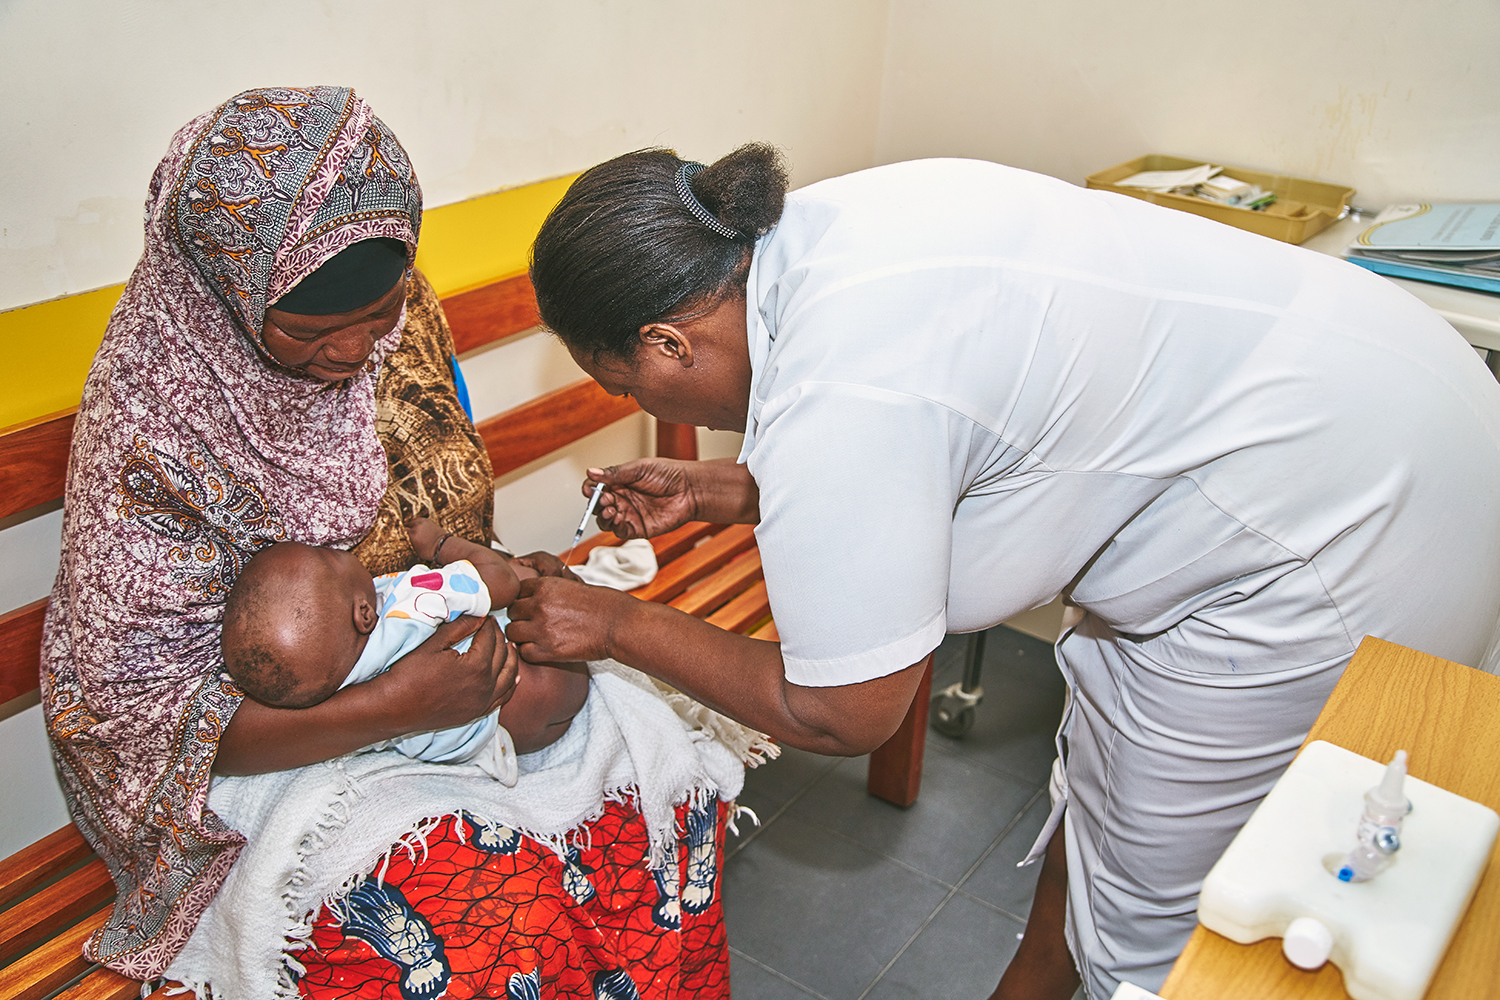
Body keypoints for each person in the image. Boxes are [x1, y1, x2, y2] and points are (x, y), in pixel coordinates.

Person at [509, 146, 1500, 999]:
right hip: (1382, 373)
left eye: (625, 383)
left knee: (1178, 911)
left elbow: (843, 711)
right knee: (1108, 787)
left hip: (1334, 522)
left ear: (668, 341)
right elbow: (945, 433)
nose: (640, 401)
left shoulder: (840, 397)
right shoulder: (823, 230)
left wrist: (613, 622)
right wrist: (734, 489)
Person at [42, 88, 741, 998]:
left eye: (378, 315)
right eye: (310, 330)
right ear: (226, 294)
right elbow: (139, 728)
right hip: (220, 750)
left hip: (389, 652)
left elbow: (410, 510)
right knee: (477, 912)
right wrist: (401, 706)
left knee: (645, 787)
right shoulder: (154, 432)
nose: (354, 351)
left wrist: (476, 573)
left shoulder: (390, 317)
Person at [220, 517, 589, 775]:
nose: (333, 549)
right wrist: (442, 544)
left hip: (475, 741)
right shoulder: (407, 604)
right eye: (328, 556)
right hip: (530, 696)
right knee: (528, 582)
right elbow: (501, 581)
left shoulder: (332, 676)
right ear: (364, 612)